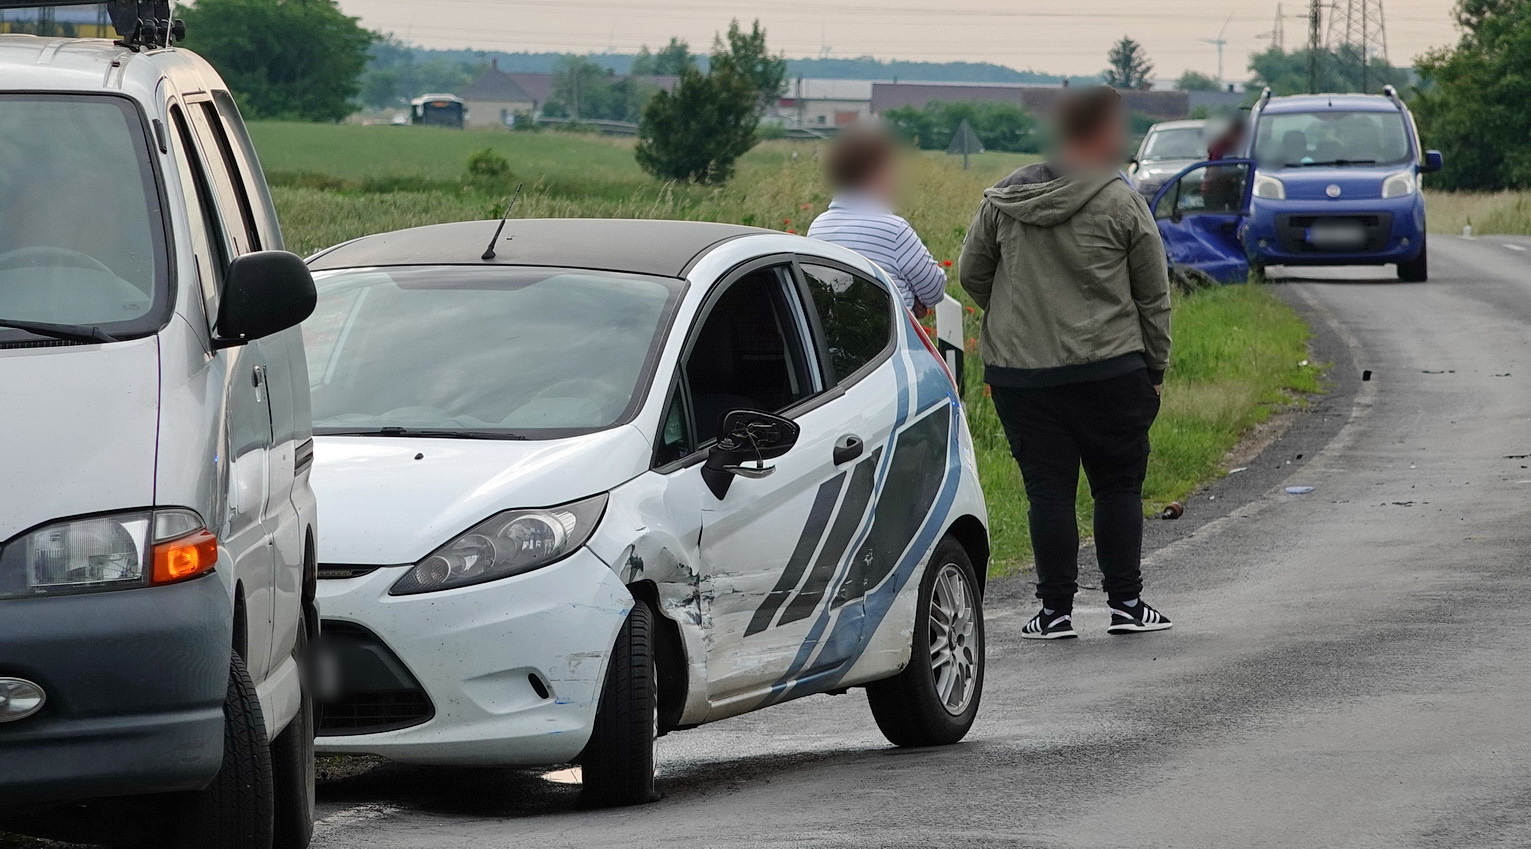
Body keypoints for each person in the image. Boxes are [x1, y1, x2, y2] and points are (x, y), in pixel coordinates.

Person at [958, 85, 1173, 641]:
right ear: (1101, 132)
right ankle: (1126, 604)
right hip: (1111, 369)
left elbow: (971, 274)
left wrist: (1016, 317)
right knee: (1118, 486)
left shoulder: (1004, 199)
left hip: (1022, 376)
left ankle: (1054, 612)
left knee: (1047, 491)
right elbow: (1153, 294)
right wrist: (1156, 369)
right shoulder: (1122, 200)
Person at [808, 124, 947, 314]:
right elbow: (934, 291)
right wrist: (911, 302)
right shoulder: (894, 230)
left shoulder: (817, 227)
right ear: (877, 173)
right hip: (889, 340)